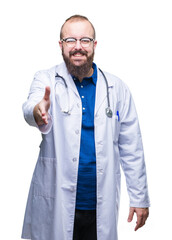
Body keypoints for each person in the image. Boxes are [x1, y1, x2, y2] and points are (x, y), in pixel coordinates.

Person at [21, 15, 150, 240]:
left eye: (85, 40)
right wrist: (38, 111)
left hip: (99, 202)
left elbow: (132, 147)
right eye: (70, 40)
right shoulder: (46, 79)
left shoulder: (116, 88)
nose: (78, 47)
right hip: (57, 200)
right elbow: (30, 107)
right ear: (60, 44)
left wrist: (139, 198)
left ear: (94, 45)